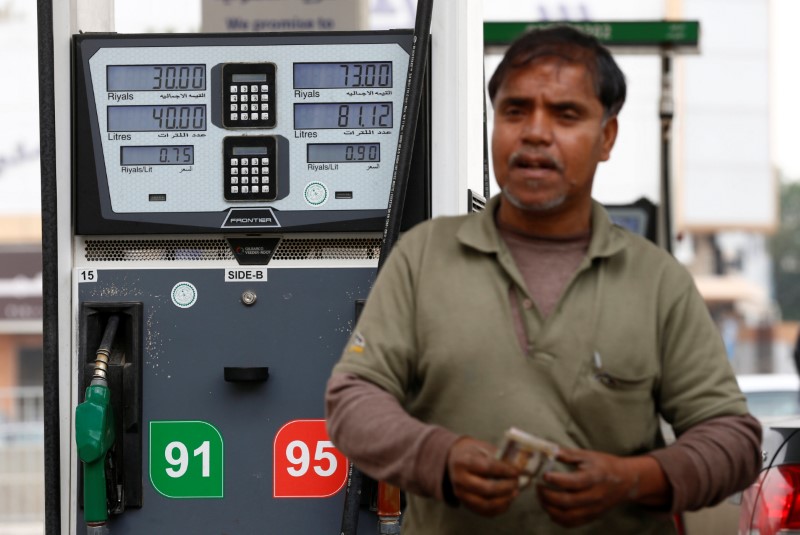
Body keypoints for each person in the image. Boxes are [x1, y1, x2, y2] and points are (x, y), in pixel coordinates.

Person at [325, 26, 761, 534]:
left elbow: (732, 438)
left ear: (607, 137)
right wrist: (440, 458)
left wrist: (638, 478)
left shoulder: (656, 280)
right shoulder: (423, 258)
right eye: (515, 110)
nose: (534, 132)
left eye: (565, 114)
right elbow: (354, 400)